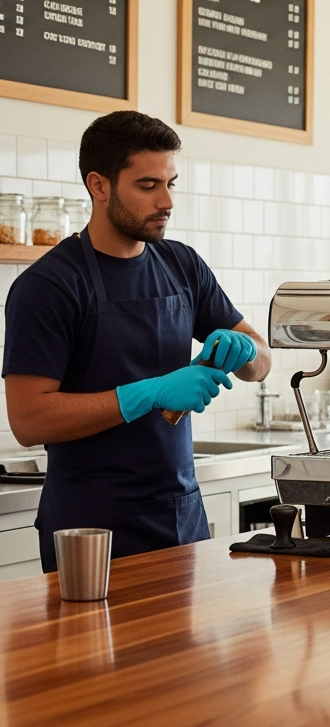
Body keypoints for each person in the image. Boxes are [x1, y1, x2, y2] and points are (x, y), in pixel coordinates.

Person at [3, 111, 271, 572]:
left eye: (171, 183)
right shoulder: (49, 285)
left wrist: (245, 351)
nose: (166, 200)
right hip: (90, 527)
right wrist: (149, 393)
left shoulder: (182, 265)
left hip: (180, 511)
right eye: (148, 186)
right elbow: (29, 419)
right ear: (99, 185)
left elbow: (262, 359)